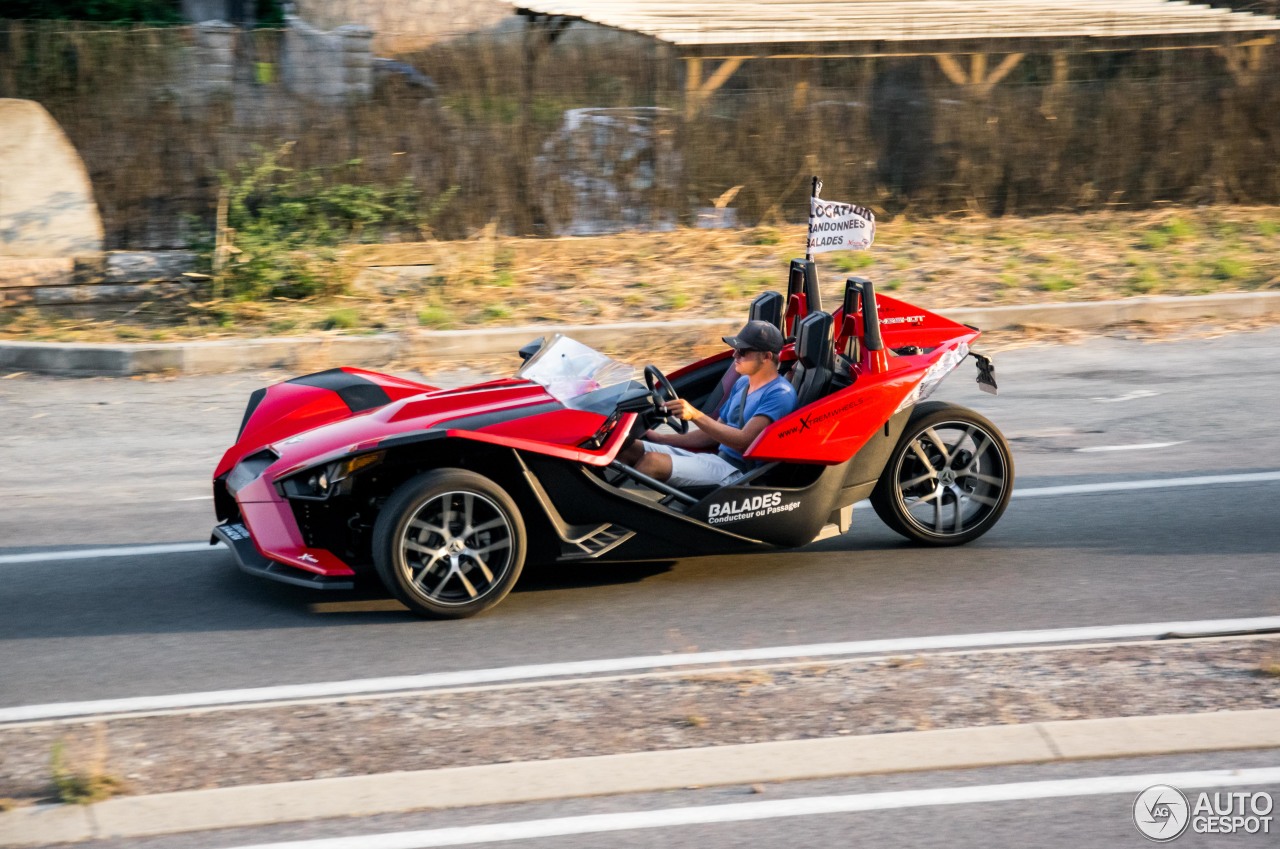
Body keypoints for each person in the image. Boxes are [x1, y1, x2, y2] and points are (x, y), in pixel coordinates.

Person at [616, 320, 797, 488]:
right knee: (628, 448)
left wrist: (695, 415)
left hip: (741, 474)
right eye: (735, 349)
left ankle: (621, 517)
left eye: (742, 351)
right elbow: (712, 435)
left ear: (766, 357)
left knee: (653, 462)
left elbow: (744, 442)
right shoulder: (743, 383)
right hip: (717, 461)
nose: (734, 355)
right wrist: (661, 438)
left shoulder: (780, 394)